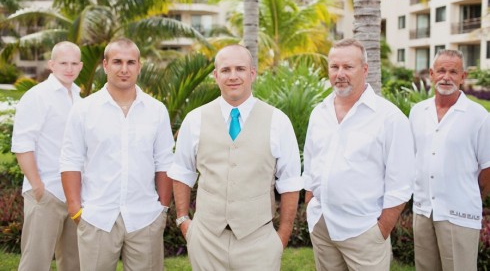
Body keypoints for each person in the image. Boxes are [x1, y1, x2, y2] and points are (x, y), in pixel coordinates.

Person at [168, 44, 302, 270]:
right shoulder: (195, 120)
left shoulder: (278, 121)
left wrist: (281, 237)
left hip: (259, 242)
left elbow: (290, 183)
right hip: (206, 240)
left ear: (252, 73)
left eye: (240, 69)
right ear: (216, 75)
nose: (233, 76)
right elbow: (182, 172)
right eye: (226, 70)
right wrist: (184, 222)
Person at [59, 38, 174, 271]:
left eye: (131, 62)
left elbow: (164, 162)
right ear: (105, 65)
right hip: (96, 217)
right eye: (117, 62)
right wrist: (76, 210)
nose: (124, 69)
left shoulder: (156, 110)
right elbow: (70, 160)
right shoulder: (84, 109)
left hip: (146, 217)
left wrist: (162, 209)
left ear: (139, 66)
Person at [302, 38, 414, 270]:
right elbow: (311, 164)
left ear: (364, 69)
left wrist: (381, 229)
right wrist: (310, 202)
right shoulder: (319, 112)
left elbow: (401, 182)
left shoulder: (389, 118)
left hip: (364, 231)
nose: (340, 73)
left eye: (348, 67)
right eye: (335, 67)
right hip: (322, 226)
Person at [409, 49, 490, 271]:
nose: (446, 77)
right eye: (441, 71)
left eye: (453, 72)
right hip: (423, 210)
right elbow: (413, 158)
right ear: (432, 74)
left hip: (459, 213)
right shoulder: (417, 112)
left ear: (463, 77)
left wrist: (466, 194)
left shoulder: (479, 117)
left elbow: (487, 169)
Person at [11, 41, 83, 271]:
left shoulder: (79, 97)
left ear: (81, 66)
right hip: (47, 192)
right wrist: (37, 186)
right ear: (52, 65)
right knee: (36, 263)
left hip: (74, 195)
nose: (69, 68)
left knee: (74, 263)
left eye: (74, 63)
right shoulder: (37, 96)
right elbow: (23, 145)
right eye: (63, 63)